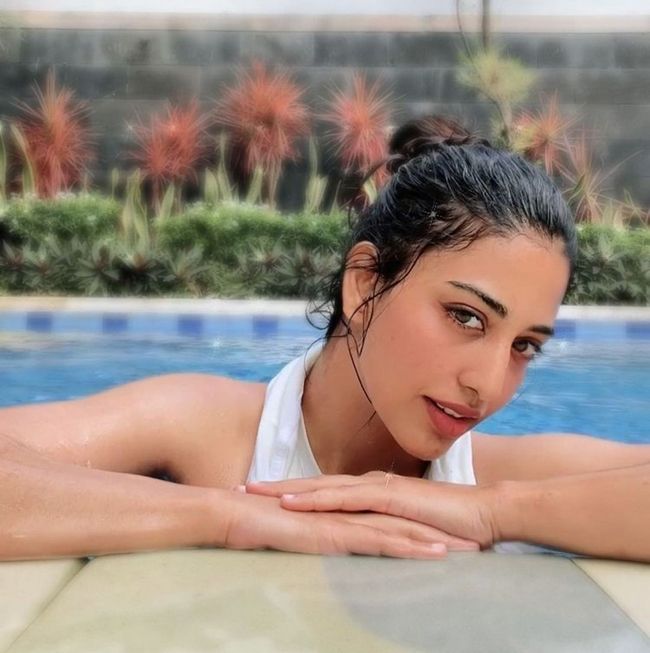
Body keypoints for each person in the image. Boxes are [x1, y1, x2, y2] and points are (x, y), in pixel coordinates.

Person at [1, 118, 648, 562]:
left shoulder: (496, 480)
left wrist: (493, 514)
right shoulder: (200, 434)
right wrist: (225, 516)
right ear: (364, 285)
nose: (488, 384)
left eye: (524, 346)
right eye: (466, 316)